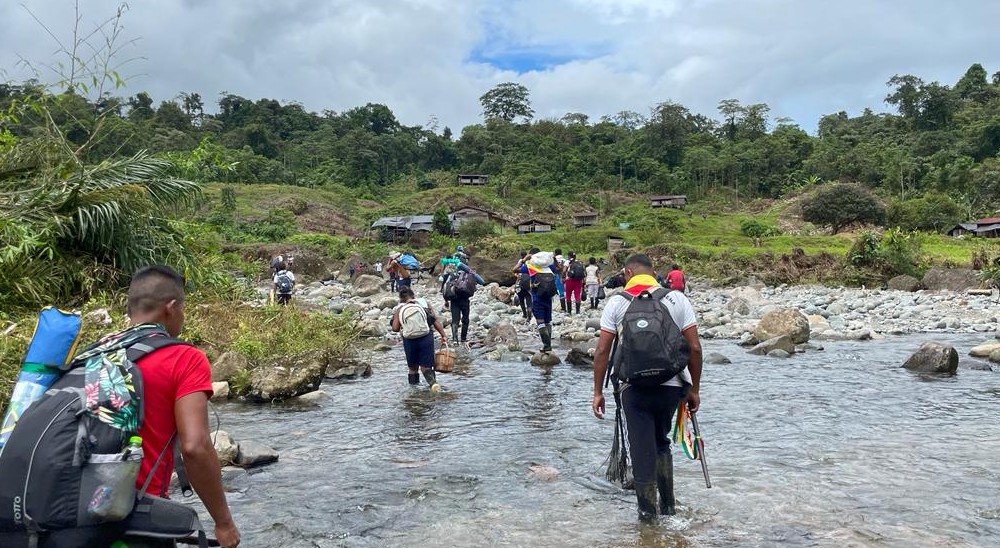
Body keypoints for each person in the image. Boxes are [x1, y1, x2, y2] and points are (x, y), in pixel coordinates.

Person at [126, 266, 241, 546]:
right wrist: (224, 523)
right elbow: (195, 447)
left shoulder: (94, 354)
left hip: (68, 510)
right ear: (172, 308)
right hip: (133, 516)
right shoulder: (183, 357)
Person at [591, 254, 703, 521]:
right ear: (653, 273)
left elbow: (602, 351)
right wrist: (694, 389)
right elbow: (695, 348)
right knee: (661, 443)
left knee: (642, 449)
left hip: (633, 388)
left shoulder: (617, 302)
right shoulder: (676, 298)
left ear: (628, 273)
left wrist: (597, 392)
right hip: (671, 386)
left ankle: (648, 520)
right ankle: (669, 509)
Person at [391, 287, 448, 388]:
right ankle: (433, 385)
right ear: (413, 295)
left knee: (413, 368)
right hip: (426, 337)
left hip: (409, 340)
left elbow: (395, 328)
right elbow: (434, 320)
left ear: (401, 298)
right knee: (426, 367)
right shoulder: (423, 303)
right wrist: (443, 335)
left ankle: (414, 392)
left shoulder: (399, 309)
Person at [520, 247, 562, 352]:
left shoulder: (530, 266)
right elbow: (559, 269)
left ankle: (546, 346)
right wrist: (554, 259)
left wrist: (524, 259)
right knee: (548, 322)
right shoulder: (549, 266)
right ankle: (549, 346)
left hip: (537, 297)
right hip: (549, 297)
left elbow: (515, 269)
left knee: (540, 322)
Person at [512, 251, 533, 320]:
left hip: (519, 284)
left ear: (521, 256)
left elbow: (515, 272)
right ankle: (529, 310)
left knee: (521, 299)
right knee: (528, 297)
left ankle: (524, 314)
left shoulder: (521, 262)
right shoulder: (530, 262)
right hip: (528, 283)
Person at [553, 248, 567, 312]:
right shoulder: (564, 260)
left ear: (555, 253)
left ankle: (562, 307)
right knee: (563, 292)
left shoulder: (553, 260)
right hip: (565, 276)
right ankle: (564, 306)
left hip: (556, 276)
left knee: (558, 291)